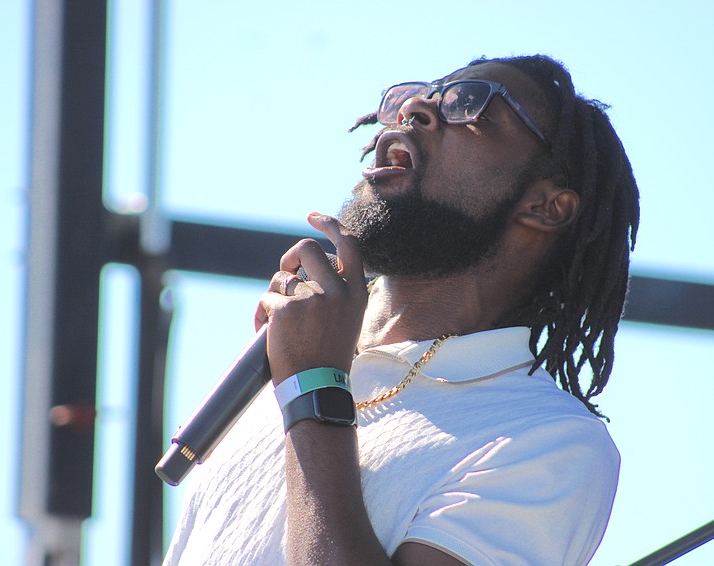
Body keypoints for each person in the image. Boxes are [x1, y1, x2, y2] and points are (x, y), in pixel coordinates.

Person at [164, 54, 640, 565]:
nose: (415, 109)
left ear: (546, 206)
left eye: (470, 105)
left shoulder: (549, 442)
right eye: (419, 97)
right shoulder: (295, 357)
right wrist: (304, 370)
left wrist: (314, 389)